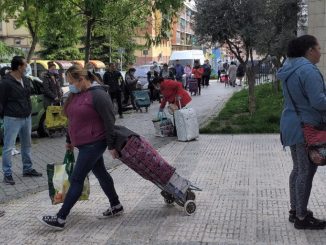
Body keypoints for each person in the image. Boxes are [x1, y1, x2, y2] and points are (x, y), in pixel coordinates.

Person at [39, 65, 125, 230]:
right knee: (101, 173)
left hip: (94, 143)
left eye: (72, 82)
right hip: (83, 143)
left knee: (77, 179)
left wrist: (112, 145)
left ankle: (60, 218)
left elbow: (109, 121)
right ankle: (116, 205)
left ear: (83, 79)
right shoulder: (76, 94)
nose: (70, 85)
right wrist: (69, 140)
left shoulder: (99, 95)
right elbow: (72, 119)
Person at [277, 34, 326, 230]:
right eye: (319, 48)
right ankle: (302, 217)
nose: (320, 52)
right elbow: (318, 102)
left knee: (298, 169)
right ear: (310, 50)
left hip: (291, 123)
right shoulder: (308, 70)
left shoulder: (290, 67)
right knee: (306, 171)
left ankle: (295, 210)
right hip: (306, 127)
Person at [0, 56, 42, 186]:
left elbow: (27, 97)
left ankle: (27, 169)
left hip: (26, 117)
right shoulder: (6, 82)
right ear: (19, 66)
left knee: (27, 145)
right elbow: (1, 101)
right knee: (8, 147)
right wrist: (4, 116)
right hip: (12, 118)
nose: (27, 66)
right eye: (25, 64)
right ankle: (7, 174)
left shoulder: (25, 79)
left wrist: (28, 110)